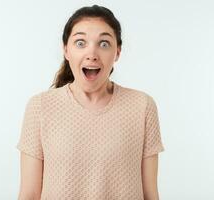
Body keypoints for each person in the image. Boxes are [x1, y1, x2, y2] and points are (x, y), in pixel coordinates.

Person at [16, 4, 165, 200]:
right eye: (80, 43)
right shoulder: (40, 107)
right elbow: (29, 194)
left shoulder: (142, 106)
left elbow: (150, 194)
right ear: (66, 50)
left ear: (117, 52)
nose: (92, 53)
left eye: (104, 44)